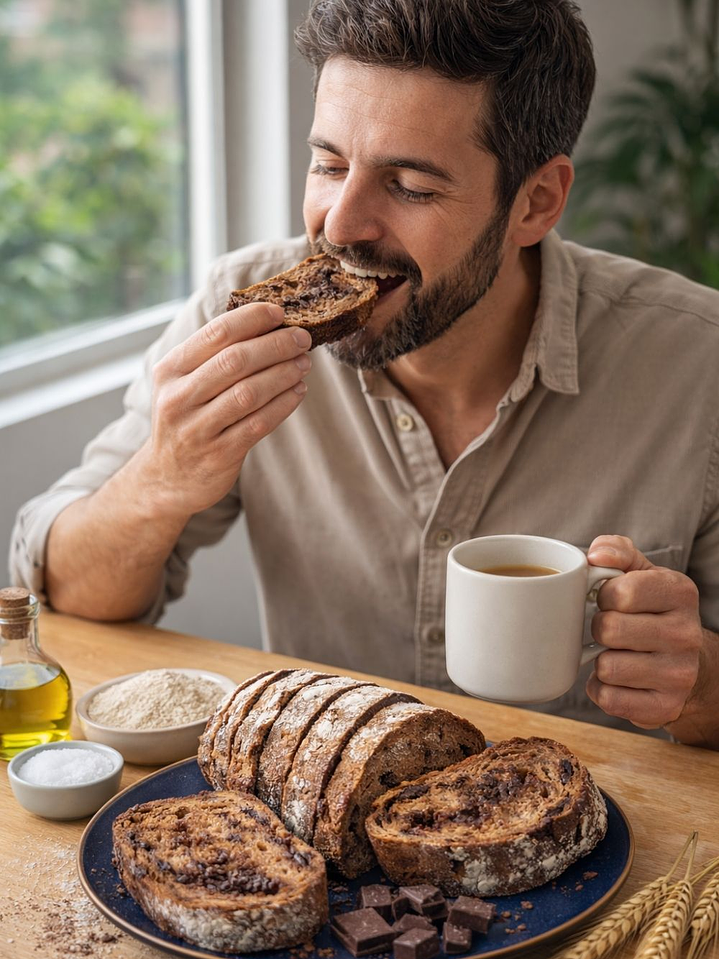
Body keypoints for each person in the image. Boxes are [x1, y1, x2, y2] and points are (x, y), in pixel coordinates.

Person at [10, 0, 719, 749]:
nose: (340, 225)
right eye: (328, 164)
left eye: (409, 184)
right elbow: (66, 602)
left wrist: (698, 680)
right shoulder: (238, 310)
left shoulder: (693, 364)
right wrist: (159, 477)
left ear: (534, 203)